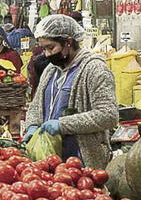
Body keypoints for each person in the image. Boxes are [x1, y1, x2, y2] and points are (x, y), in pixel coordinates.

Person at [23, 15, 118, 169]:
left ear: (68, 42)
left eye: (51, 47)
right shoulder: (51, 70)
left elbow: (109, 115)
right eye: (44, 49)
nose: (47, 54)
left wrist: (63, 124)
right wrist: (32, 125)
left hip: (82, 160)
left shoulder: (94, 69)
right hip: (50, 159)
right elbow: (36, 105)